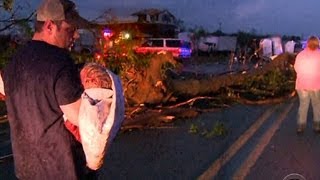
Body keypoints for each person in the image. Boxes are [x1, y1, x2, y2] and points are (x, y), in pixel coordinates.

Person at [0, 0, 97, 179]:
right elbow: (84, 120)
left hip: (27, 172)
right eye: (70, 30)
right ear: (50, 26)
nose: (75, 36)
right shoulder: (60, 61)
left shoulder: (13, 62)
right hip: (63, 172)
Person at [294, 36, 320, 134]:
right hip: (316, 85)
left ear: (308, 43)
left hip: (302, 85)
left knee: (303, 105)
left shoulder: (300, 55)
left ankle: (300, 127)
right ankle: (317, 126)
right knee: (317, 105)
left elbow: (296, 68)